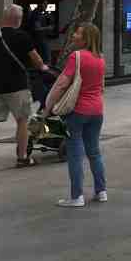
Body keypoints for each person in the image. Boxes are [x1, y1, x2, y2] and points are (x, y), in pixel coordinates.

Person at [0, 4, 51, 177]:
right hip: (17, 86)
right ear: (18, 20)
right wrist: (43, 67)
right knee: (22, 121)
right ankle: (22, 158)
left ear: (3, 18)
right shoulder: (22, 36)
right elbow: (36, 59)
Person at [47, 23, 107, 207]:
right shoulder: (101, 59)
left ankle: (77, 196)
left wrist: (48, 106)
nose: (74, 35)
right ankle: (101, 191)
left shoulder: (77, 57)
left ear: (86, 38)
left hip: (78, 111)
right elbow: (101, 86)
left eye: (78, 33)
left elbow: (61, 84)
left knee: (75, 153)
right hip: (97, 110)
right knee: (94, 152)